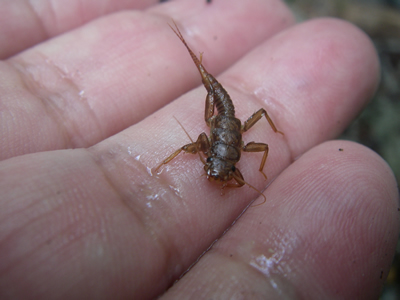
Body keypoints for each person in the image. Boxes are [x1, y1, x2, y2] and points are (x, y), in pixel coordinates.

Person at [0, 1, 398, 299]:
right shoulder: (216, 144)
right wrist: (175, 155)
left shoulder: (232, 154)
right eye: (217, 167)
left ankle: (207, 75)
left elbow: (243, 161)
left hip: (229, 121)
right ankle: (200, 68)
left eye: (220, 169)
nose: (216, 172)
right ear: (216, 156)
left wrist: (249, 171)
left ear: (226, 161)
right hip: (224, 117)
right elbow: (212, 153)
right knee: (206, 90)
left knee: (227, 100)